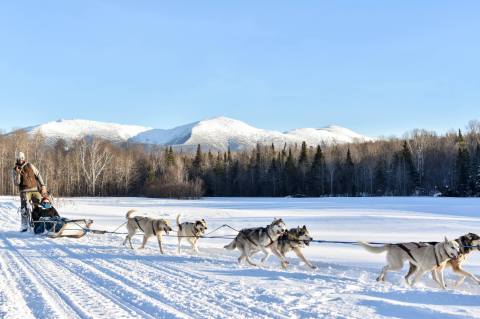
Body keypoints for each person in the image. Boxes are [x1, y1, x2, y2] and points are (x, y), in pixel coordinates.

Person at [12, 152, 48, 232]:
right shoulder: (15, 169)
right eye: (19, 159)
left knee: (41, 204)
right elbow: (16, 183)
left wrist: (43, 185)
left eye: (22, 158)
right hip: (24, 191)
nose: (20, 160)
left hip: (35, 189)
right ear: (17, 159)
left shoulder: (30, 165)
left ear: (24, 158)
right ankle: (24, 225)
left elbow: (38, 174)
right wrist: (18, 174)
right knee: (24, 207)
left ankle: (40, 222)